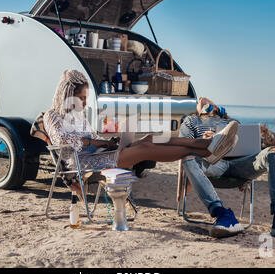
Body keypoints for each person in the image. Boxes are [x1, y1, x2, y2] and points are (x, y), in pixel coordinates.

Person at [31, 70, 239, 195]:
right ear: (67, 95)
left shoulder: (80, 116)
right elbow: (64, 141)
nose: (85, 103)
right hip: (83, 164)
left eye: (86, 98)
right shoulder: (52, 116)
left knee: (150, 138)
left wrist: (108, 141)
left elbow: (92, 137)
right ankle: (206, 150)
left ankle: (206, 145)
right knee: (147, 147)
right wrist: (97, 143)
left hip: (100, 154)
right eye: (81, 98)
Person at [179, 97, 275, 239]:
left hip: (238, 165)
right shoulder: (191, 121)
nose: (204, 100)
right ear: (199, 110)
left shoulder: (232, 122)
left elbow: (248, 148)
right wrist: (204, 142)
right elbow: (184, 146)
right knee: (188, 156)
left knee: (274, 151)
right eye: (201, 103)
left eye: (212, 103)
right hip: (211, 165)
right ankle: (222, 214)